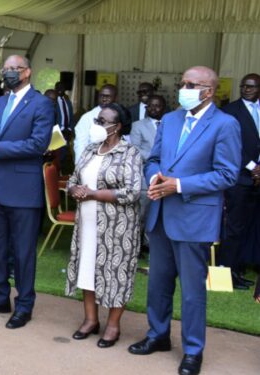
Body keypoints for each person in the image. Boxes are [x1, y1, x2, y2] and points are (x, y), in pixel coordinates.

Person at [128, 66, 241, 375]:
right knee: (157, 284)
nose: (184, 89)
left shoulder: (225, 124)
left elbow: (227, 174)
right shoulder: (171, 119)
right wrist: (155, 177)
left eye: (192, 85)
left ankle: (193, 350)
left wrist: (178, 184)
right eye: (183, 83)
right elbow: (153, 160)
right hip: (162, 214)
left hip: (194, 218)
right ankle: (158, 335)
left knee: (192, 291)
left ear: (210, 91)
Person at [0, 55, 54, 329]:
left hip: (23, 190)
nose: (8, 73)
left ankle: (24, 304)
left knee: (23, 252)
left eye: (14, 69)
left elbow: (38, 144)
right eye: (5, 69)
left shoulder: (42, 104)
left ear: (28, 72)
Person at [66, 103, 142, 348]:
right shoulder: (89, 150)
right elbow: (73, 180)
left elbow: (132, 192)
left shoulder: (130, 153)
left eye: (103, 121)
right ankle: (90, 320)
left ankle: (112, 324)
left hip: (117, 227)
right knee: (87, 269)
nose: (97, 125)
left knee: (116, 273)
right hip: (87, 223)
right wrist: (74, 189)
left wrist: (93, 194)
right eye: (97, 120)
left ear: (118, 127)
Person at [217, 73, 260, 290]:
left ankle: (238, 271)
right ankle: (225, 274)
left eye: (251, 86)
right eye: (244, 86)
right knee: (232, 227)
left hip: (257, 180)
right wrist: (253, 167)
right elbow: (230, 146)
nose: (246, 89)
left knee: (248, 228)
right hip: (239, 178)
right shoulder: (230, 111)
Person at [130, 94, 167, 250]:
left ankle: (150, 243)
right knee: (142, 212)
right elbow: (135, 149)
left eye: (157, 105)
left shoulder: (170, 124)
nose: (153, 108)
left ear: (163, 108)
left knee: (159, 213)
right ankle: (136, 245)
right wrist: (157, 157)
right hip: (146, 175)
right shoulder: (138, 125)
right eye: (150, 105)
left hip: (167, 176)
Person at [74, 84, 117, 164]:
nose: (104, 99)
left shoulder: (120, 116)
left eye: (108, 96)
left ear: (115, 98)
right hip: (92, 162)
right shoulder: (87, 117)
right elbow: (80, 144)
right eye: (101, 96)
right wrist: (79, 166)